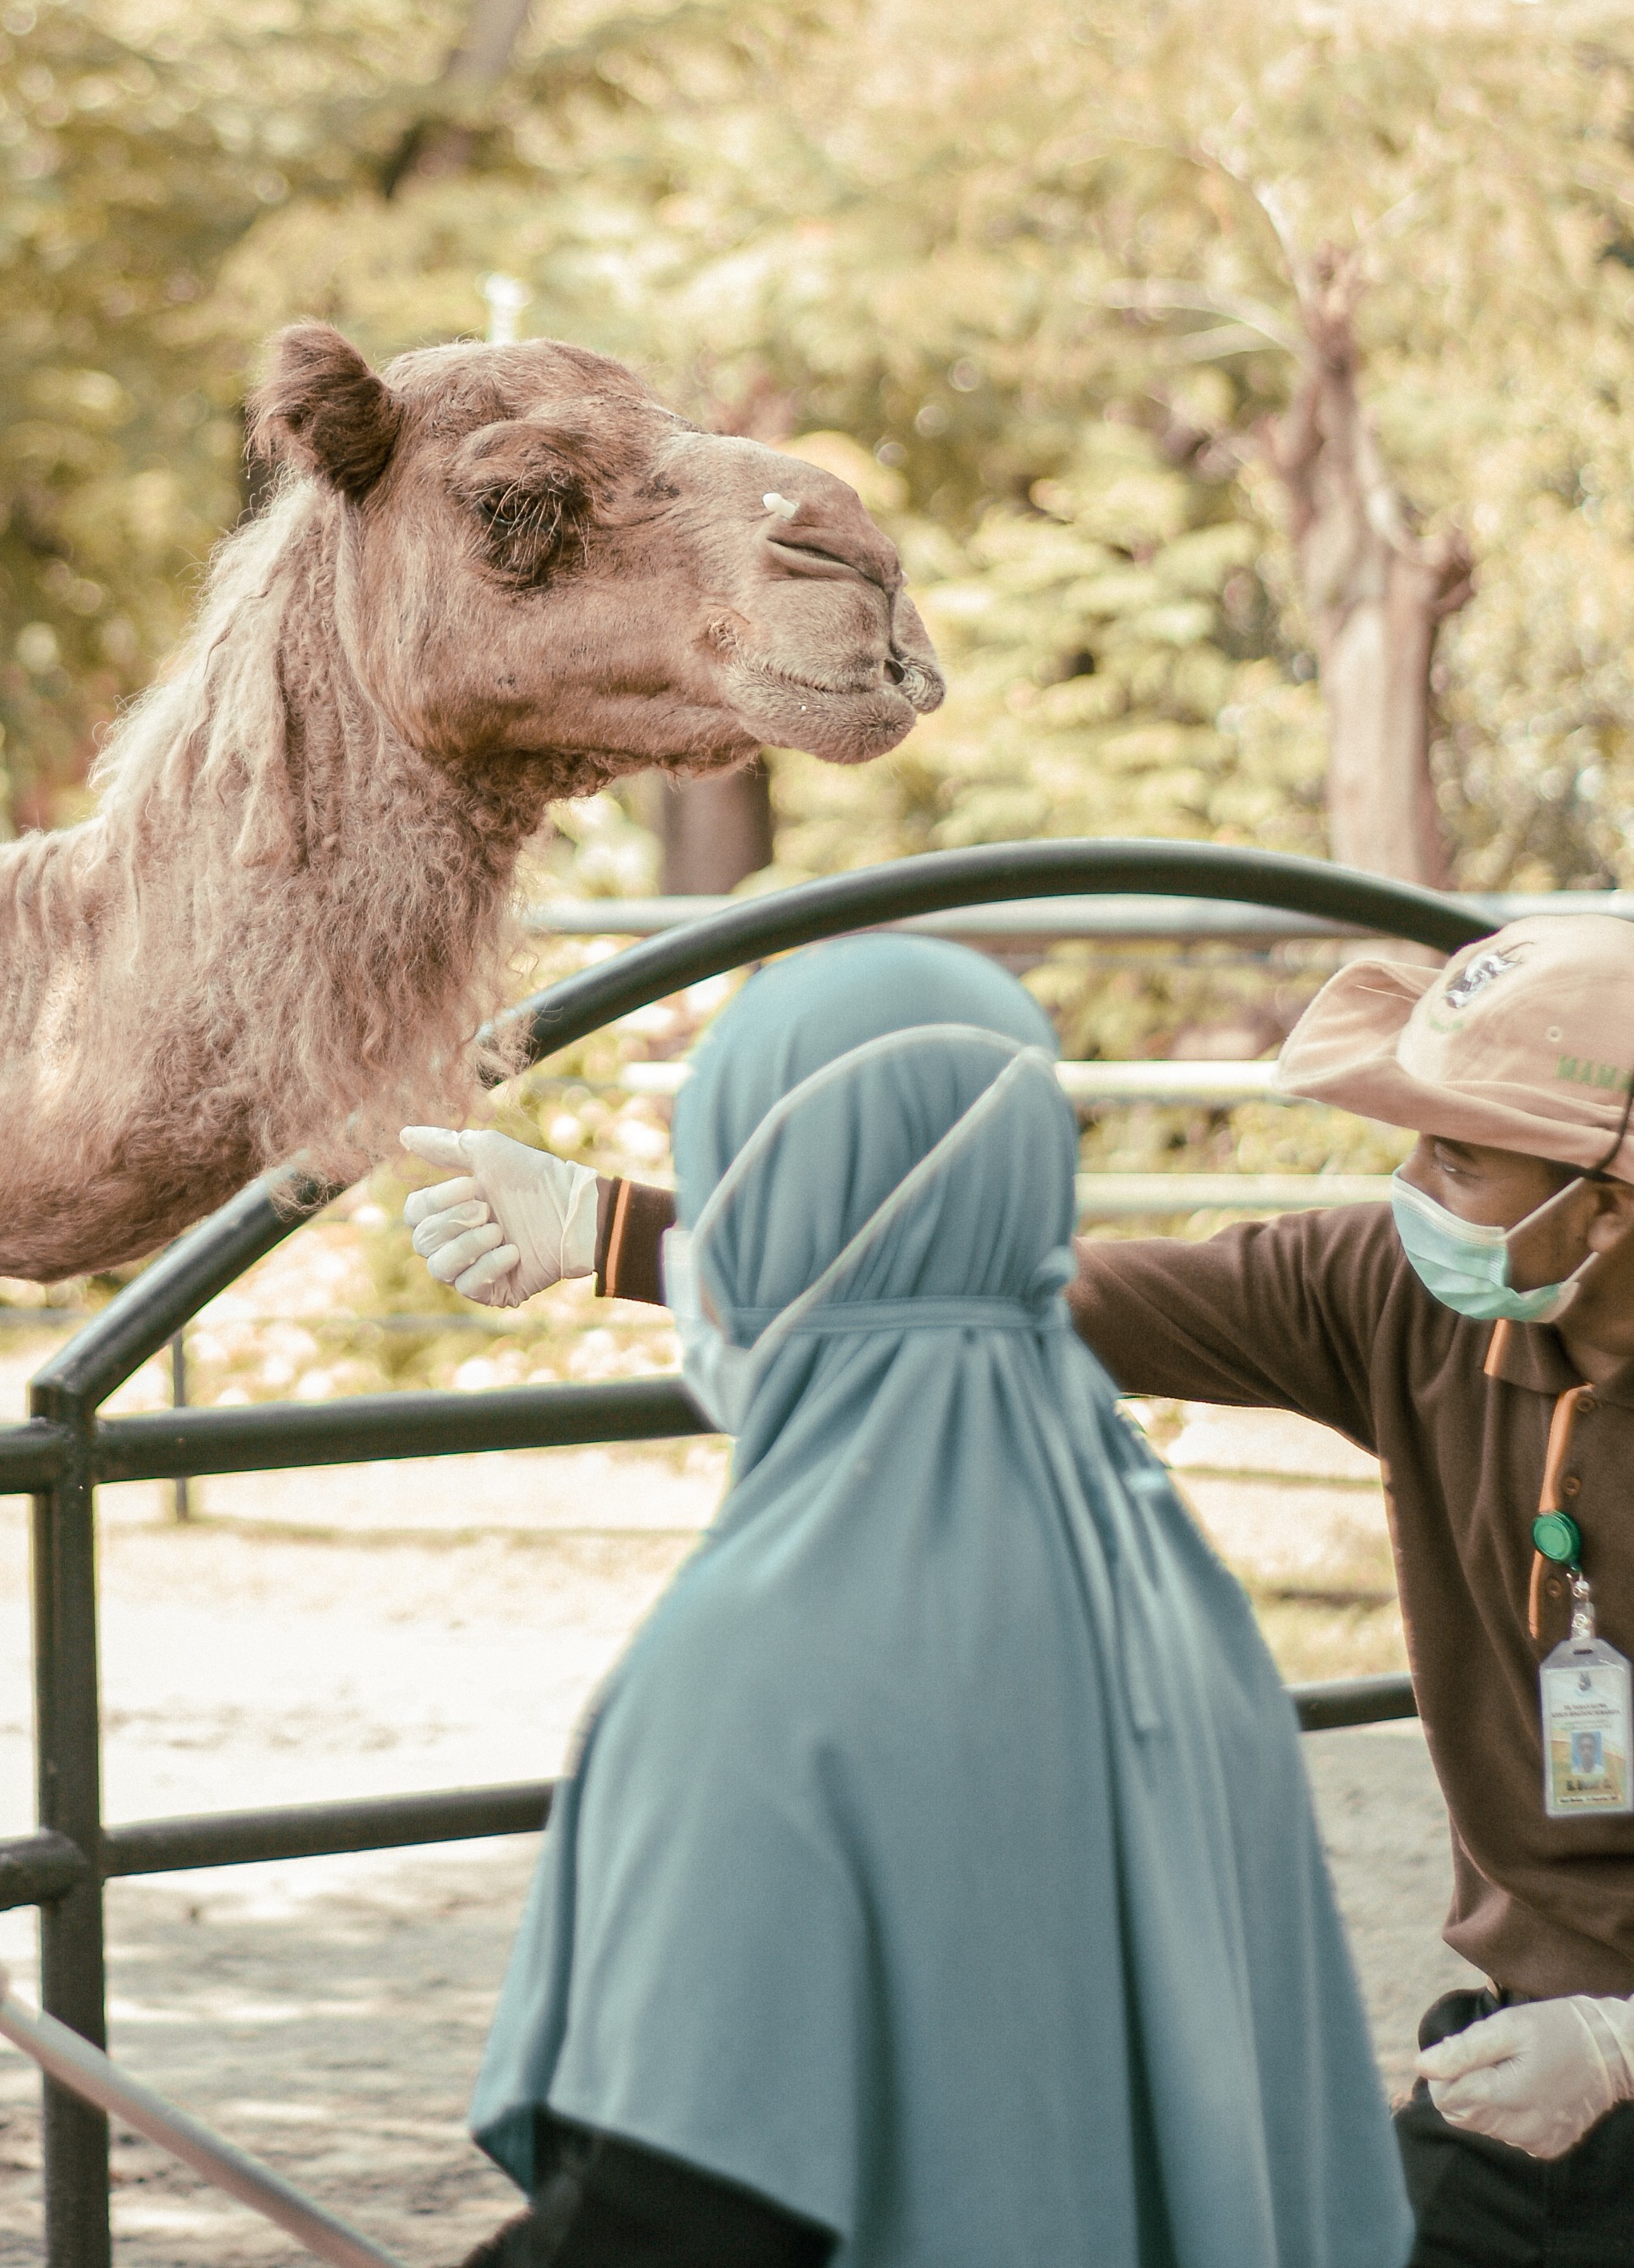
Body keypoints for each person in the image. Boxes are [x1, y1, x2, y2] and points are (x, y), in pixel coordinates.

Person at [408, 916, 1634, 2268]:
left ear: (1605, 1205)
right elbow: (995, 1290)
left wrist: (1621, 2043)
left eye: (1453, 1158)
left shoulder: (772, 1668)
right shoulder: (1400, 1299)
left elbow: (689, 2182)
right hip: (1514, 2064)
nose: (1406, 1188)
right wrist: (613, 1230)